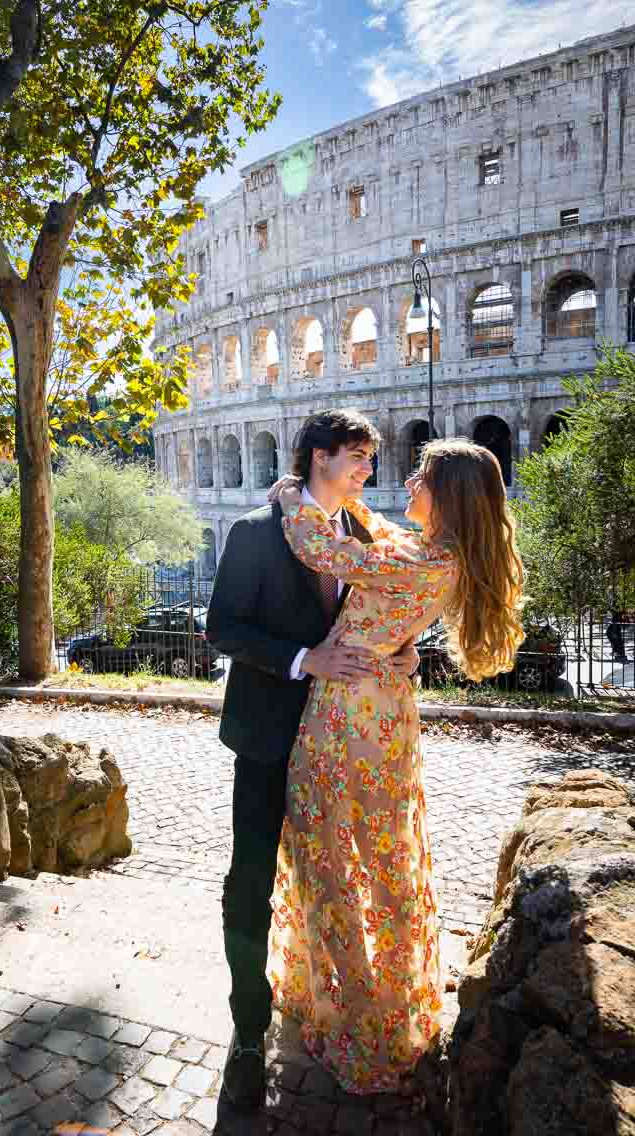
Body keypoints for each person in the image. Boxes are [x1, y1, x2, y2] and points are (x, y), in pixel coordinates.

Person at [267, 438, 525, 1095]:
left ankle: (359, 1021)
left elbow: (328, 552)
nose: (407, 481)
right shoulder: (445, 556)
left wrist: (297, 498)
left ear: (447, 497)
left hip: (345, 716)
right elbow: (379, 539)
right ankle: (388, 1004)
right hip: (386, 710)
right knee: (384, 858)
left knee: (329, 853)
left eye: (421, 477)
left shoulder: (415, 557)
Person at [206, 409, 420, 1109]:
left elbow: (385, 616)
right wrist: (305, 659)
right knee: (251, 881)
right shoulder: (254, 532)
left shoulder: (365, 534)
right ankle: (247, 1033)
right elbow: (223, 628)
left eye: (369, 460)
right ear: (319, 456)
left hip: (345, 744)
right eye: (358, 457)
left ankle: (335, 1009)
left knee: (341, 881)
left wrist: (402, 650)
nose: (368, 471)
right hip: (270, 738)